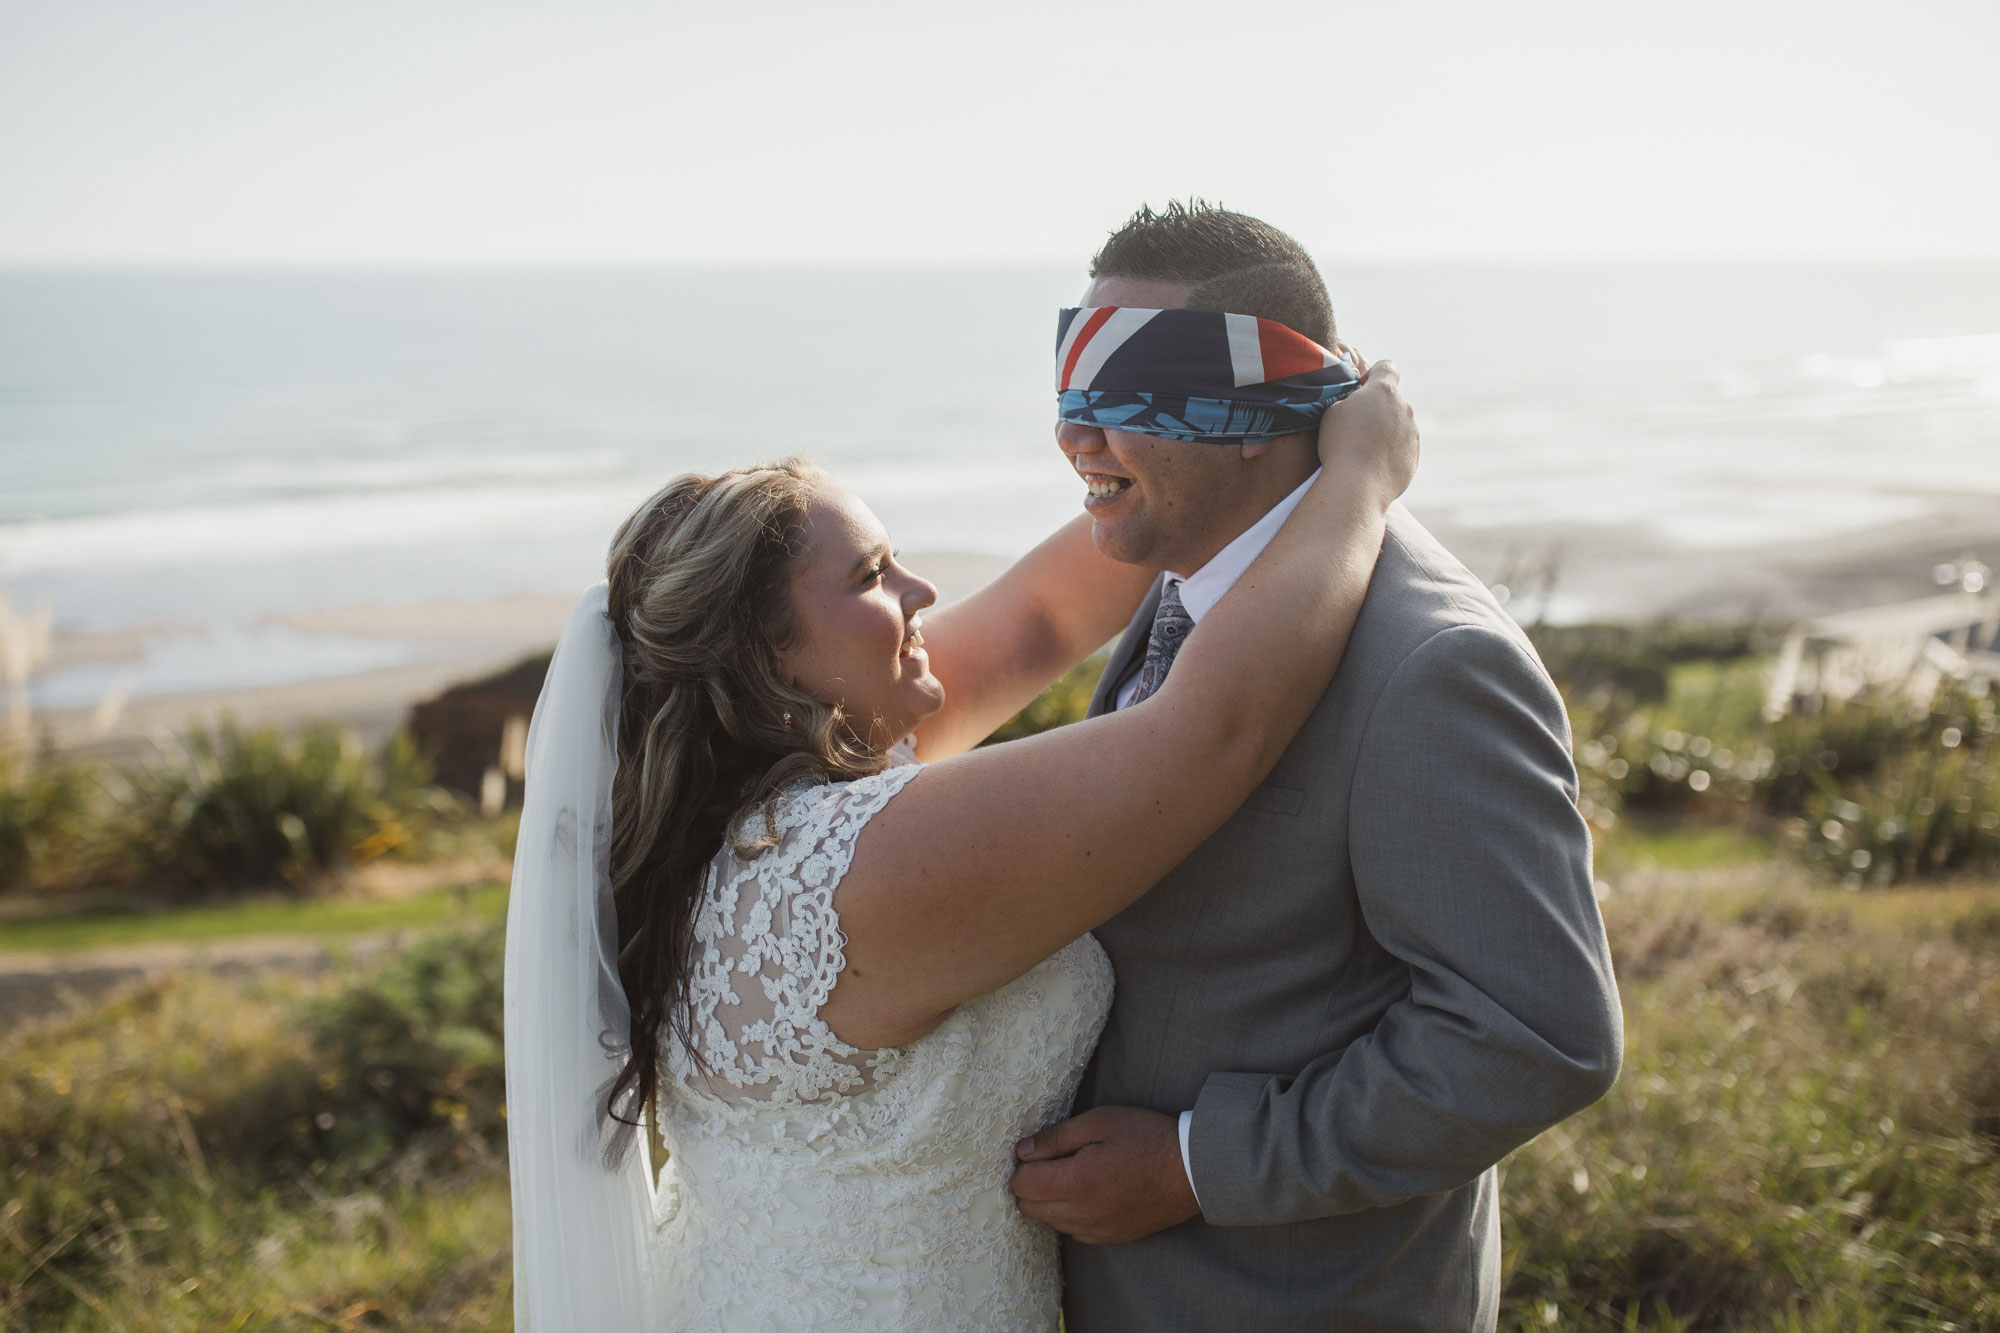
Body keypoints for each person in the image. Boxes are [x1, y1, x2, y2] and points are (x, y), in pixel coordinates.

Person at [502, 352, 1421, 1327]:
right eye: (871, 575)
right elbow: (1213, 735)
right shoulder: (858, 865)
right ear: (769, 655)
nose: (922, 589)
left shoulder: (751, 809)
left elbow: (1038, 619)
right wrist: (1363, 475)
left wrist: (1231, 441)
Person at [1009, 202, 1624, 1331]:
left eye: (1119, 396)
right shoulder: (1191, 563)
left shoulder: (1430, 667)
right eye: (1067, 391)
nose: (1073, 438)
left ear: (1251, 410)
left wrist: (1196, 1164)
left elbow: (1535, 1036)